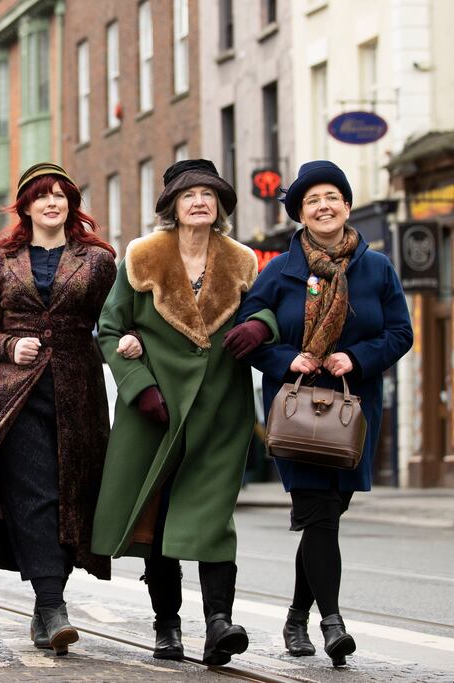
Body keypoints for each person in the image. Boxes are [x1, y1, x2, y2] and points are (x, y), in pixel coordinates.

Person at [231, 160, 412, 667]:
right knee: (320, 515)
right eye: (312, 200)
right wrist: (289, 358)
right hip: (296, 412)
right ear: (300, 214)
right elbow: (246, 338)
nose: (324, 206)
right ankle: (332, 624)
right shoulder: (278, 270)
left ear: (348, 206)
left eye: (332, 196)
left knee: (324, 520)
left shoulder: (376, 268)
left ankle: (294, 617)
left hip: (352, 415)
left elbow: (401, 333)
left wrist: (357, 357)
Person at [0, 162, 117, 656]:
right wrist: (7, 345)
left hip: (78, 391)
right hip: (15, 394)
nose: (52, 202)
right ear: (26, 206)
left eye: (61, 195)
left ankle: (45, 606)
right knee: (32, 494)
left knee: (70, 494)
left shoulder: (99, 260)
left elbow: (117, 320)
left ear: (72, 204)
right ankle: (53, 604)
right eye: (42, 196)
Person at [92, 159, 257, 666]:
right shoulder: (142, 257)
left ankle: (218, 625)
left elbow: (271, 310)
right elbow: (109, 329)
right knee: (158, 521)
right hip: (155, 414)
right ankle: (168, 628)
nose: (200, 202)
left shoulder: (244, 261)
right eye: (189, 195)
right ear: (172, 206)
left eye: (209, 194)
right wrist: (139, 387)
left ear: (221, 206)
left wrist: (263, 324)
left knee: (212, 519)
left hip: (220, 412)